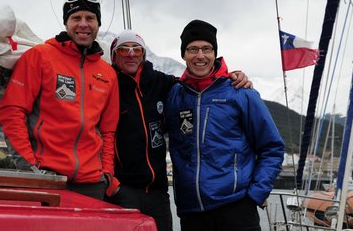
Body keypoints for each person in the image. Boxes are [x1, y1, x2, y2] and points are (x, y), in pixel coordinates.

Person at [105, 29, 252, 231]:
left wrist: (229, 76)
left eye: (137, 50)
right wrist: (110, 183)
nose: (131, 54)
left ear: (143, 54)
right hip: (122, 189)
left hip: (158, 192)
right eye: (123, 50)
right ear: (113, 56)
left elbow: (196, 84)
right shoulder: (105, 85)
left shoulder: (161, 82)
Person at [0, 0, 119, 200]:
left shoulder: (107, 73)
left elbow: (108, 132)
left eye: (90, 18)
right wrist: (29, 166)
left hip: (92, 184)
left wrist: (106, 173)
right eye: (76, 17)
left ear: (98, 24)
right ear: (66, 22)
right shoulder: (40, 57)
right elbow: (11, 111)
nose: (83, 24)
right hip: (46, 177)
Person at [165, 19, 285, 231]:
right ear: (183, 54)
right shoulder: (175, 95)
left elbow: (272, 148)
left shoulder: (240, 93)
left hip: (236, 208)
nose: (200, 55)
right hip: (191, 212)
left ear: (215, 53)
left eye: (206, 49)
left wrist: (255, 195)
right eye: (192, 49)